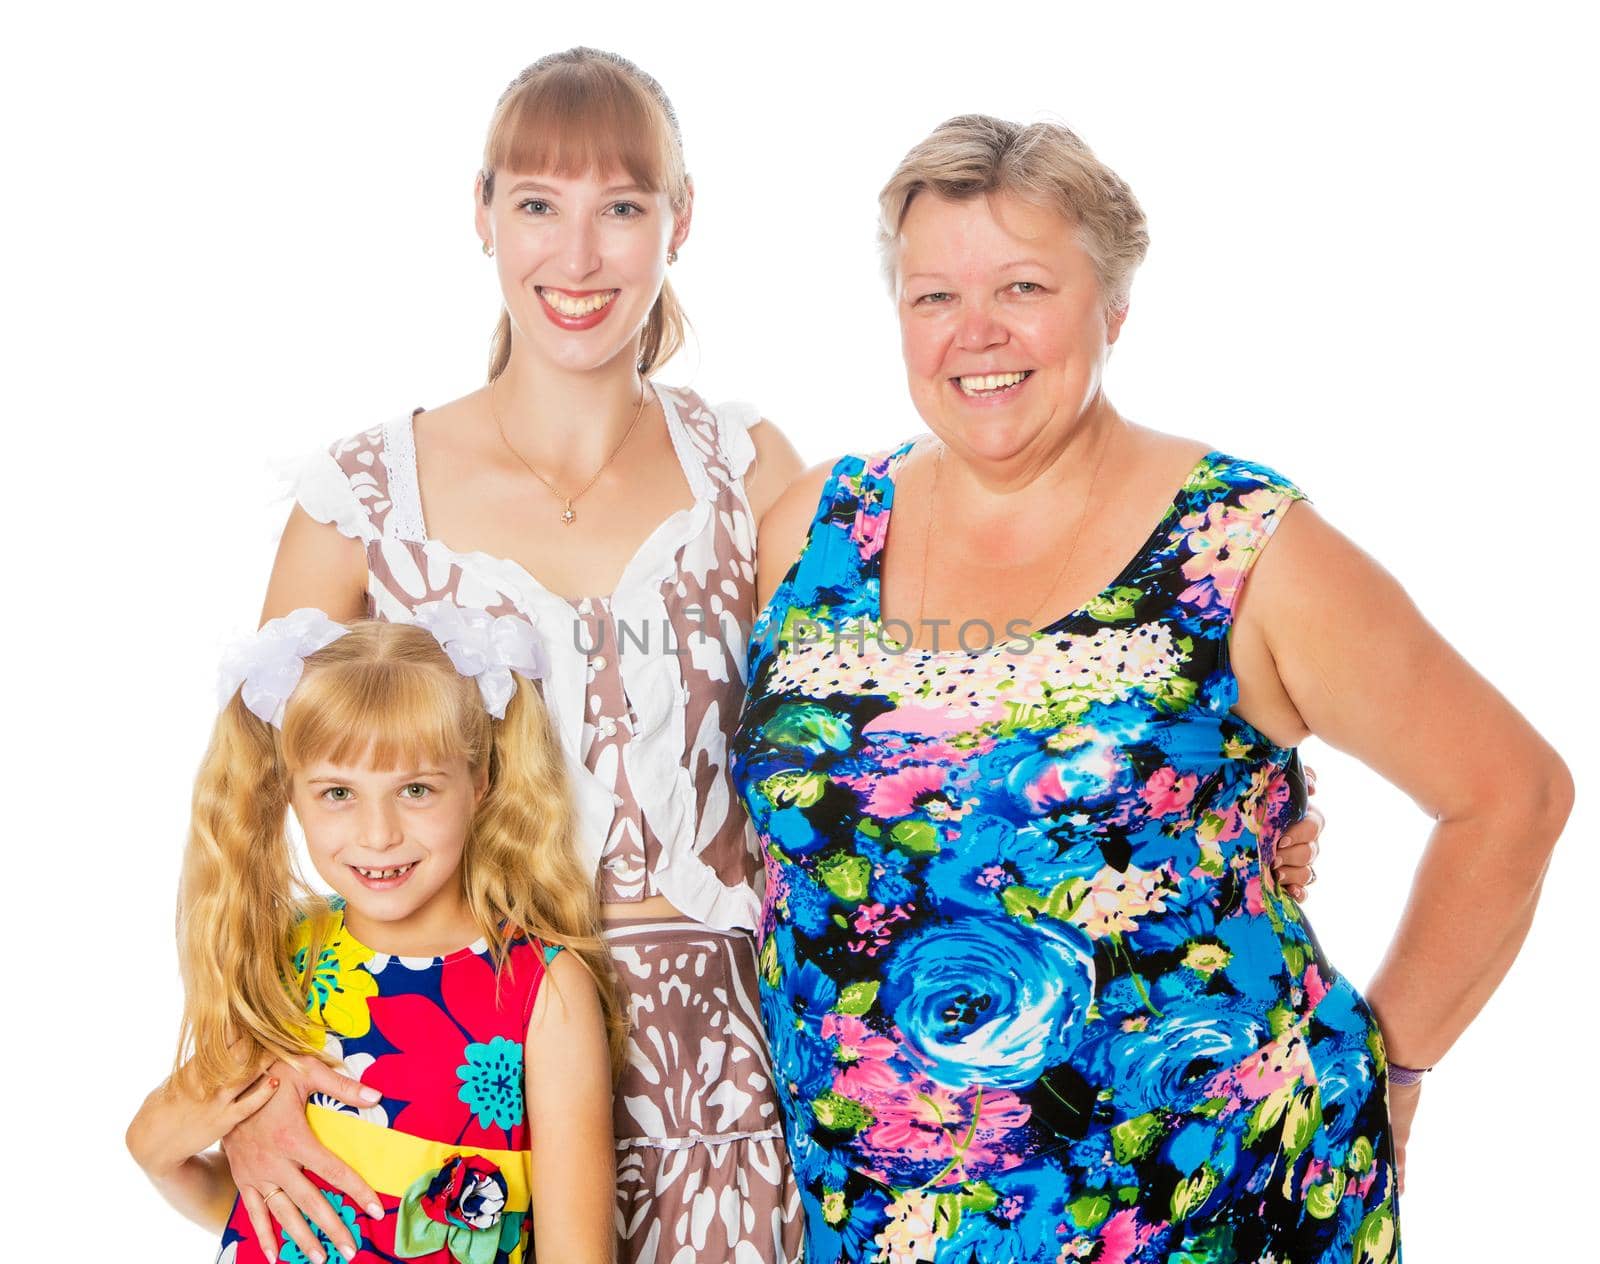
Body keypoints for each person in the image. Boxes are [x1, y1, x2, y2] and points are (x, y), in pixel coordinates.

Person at [221, 51, 1324, 1263]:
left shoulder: (745, 474)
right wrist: (245, 1072)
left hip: (738, 1073)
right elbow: (253, 822)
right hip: (462, 1064)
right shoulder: (360, 503)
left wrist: (1238, 795)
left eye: (623, 209)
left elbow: (911, 717)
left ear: (678, 223)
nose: (578, 258)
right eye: (537, 204)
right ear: (479, 211)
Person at [733, 114, 1572, 1262]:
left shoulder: (1238, 541)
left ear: (1112, 307)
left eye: (1023, 286)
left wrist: (1397, 1065)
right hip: (881, 1217)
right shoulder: (815, 523)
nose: (975, 333)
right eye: (933, 297)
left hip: (1208, 1202)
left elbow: (1510, 795)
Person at [125, 605, 619, 1262]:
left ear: (480, 783)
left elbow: (577, 1252)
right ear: (290, 793)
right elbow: (181, 1160)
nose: (378, 833)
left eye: (415, 788)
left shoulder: (542, 989)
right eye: (337, 793)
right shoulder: (287, 952)